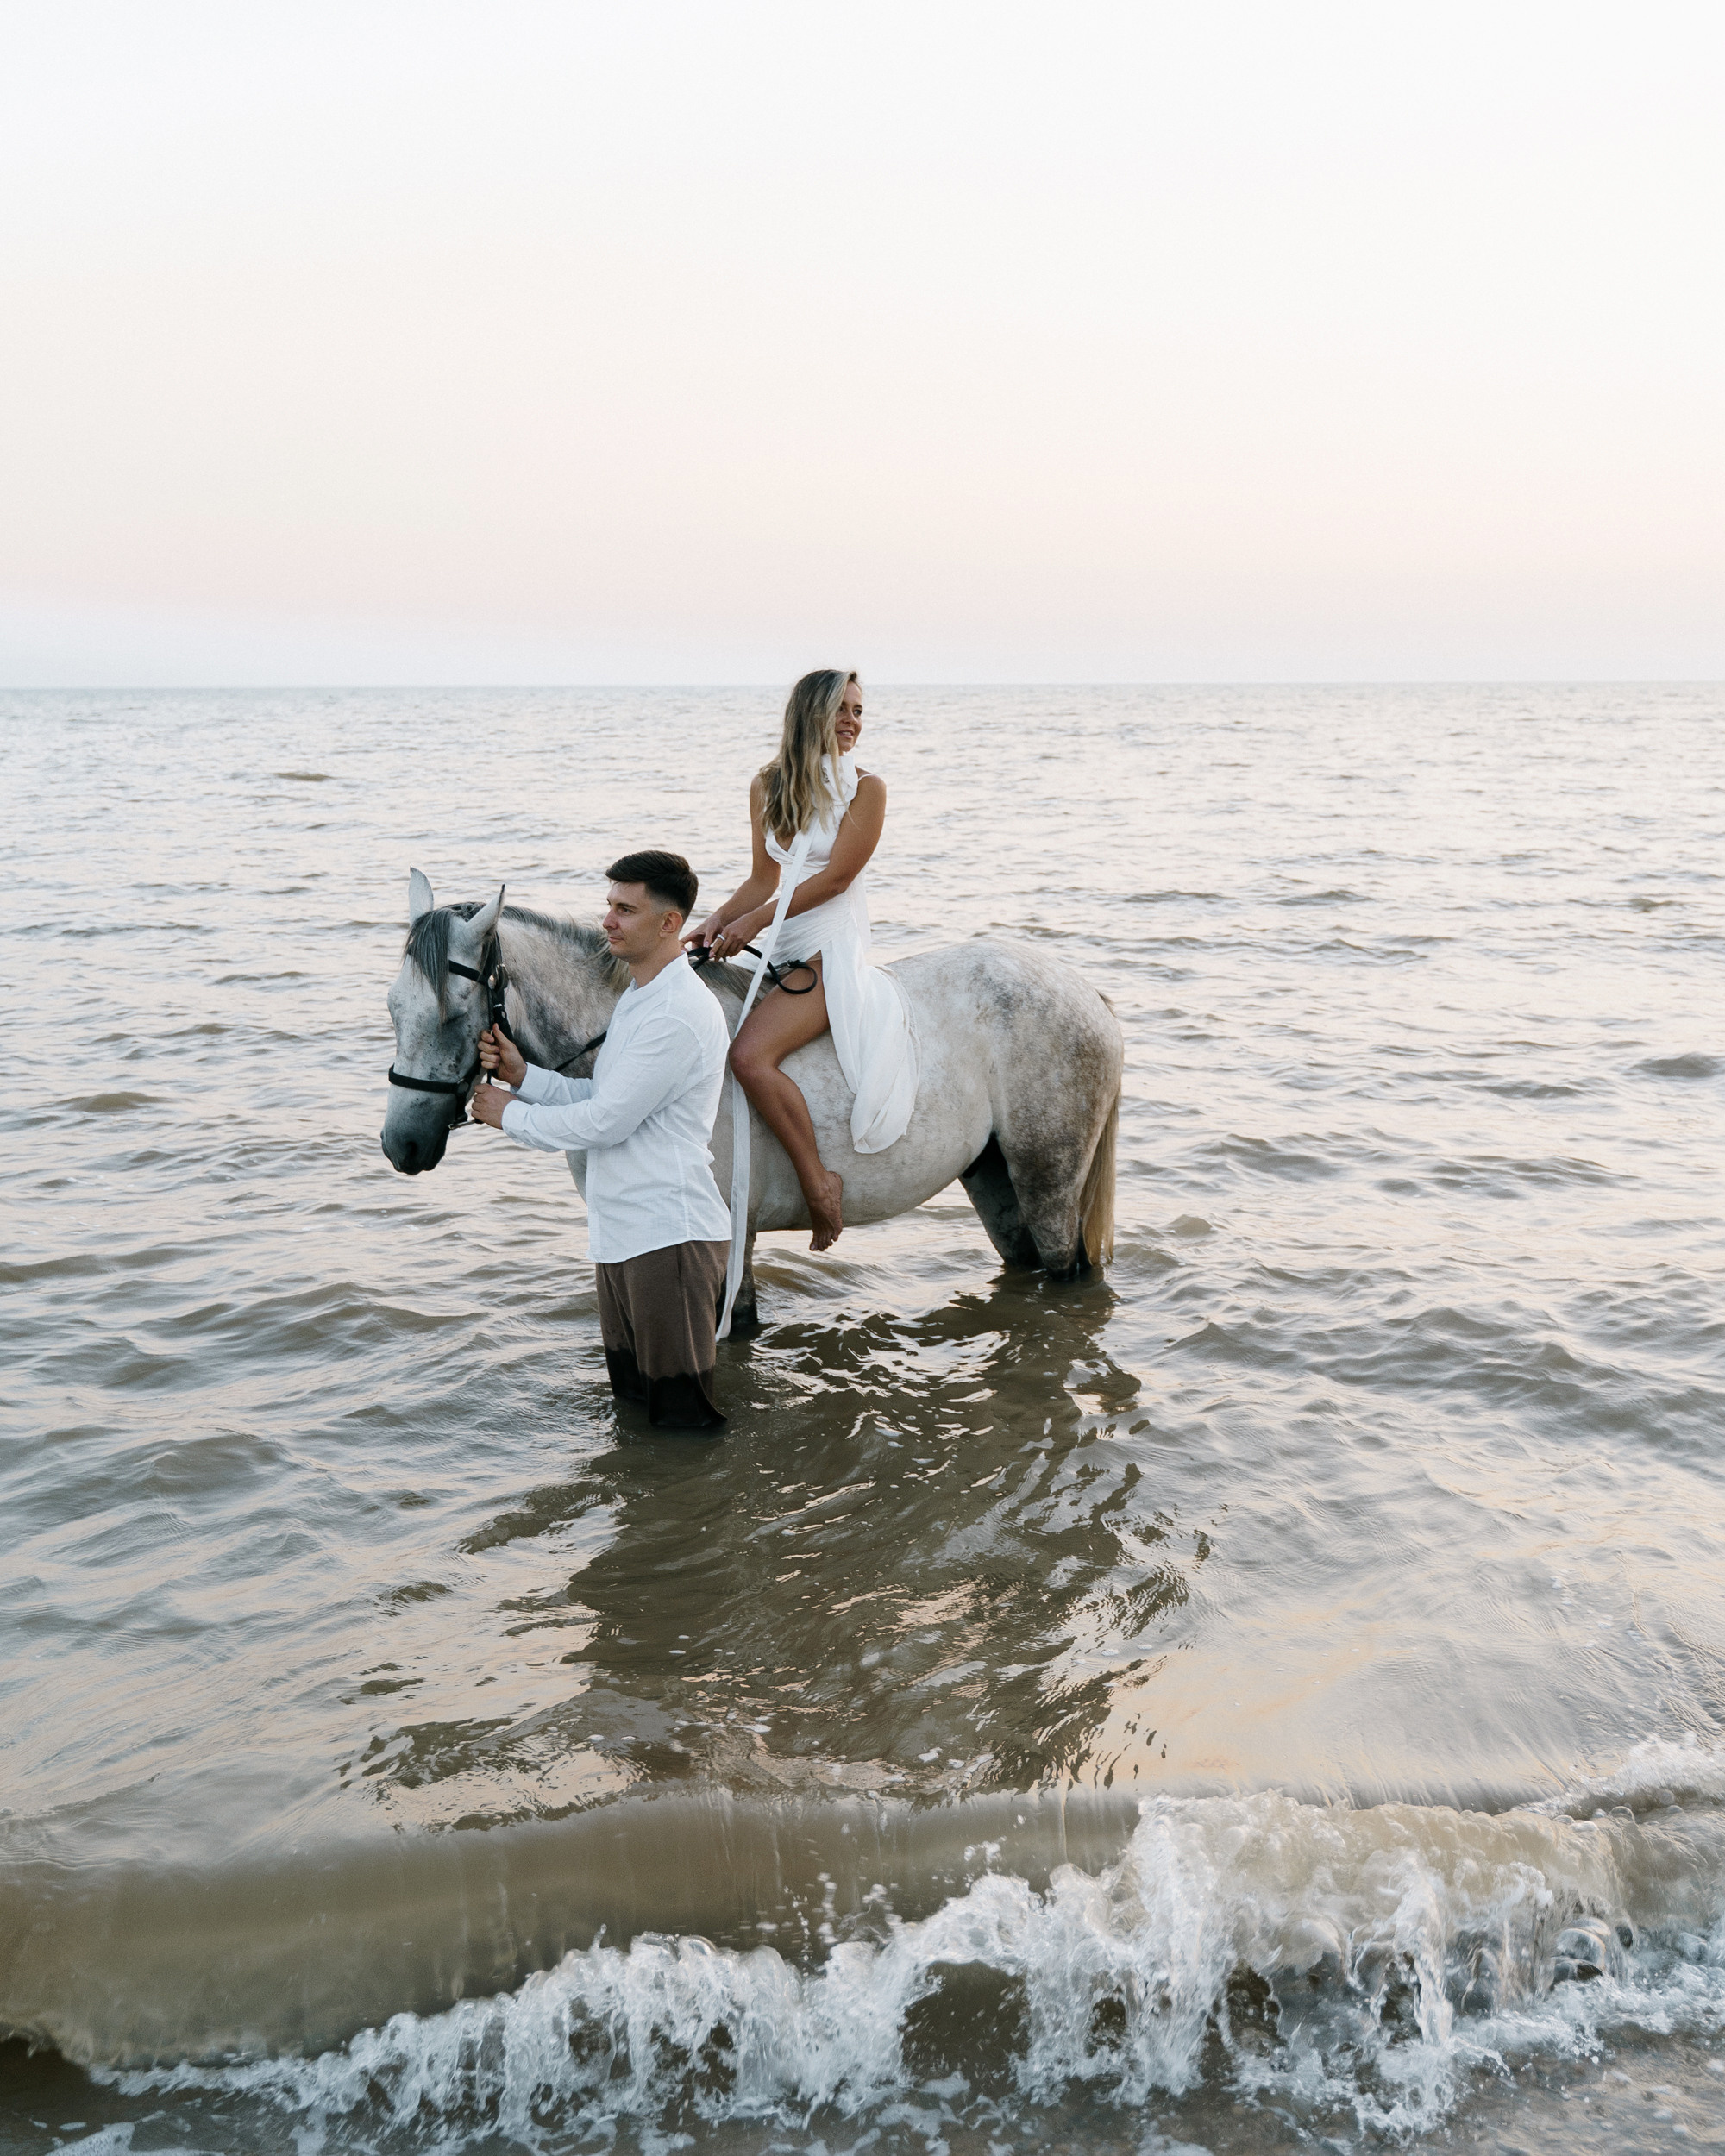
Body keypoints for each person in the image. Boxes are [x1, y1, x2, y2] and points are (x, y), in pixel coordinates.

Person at [468, 851, 731, 1432]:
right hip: (622, 1235)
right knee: (636, 1417)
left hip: (670, 1238)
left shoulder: (678, 1012)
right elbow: (602, 1100)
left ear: (669, 924)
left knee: (684, 1424)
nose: (607, 921)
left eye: (625, 909)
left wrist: (510, 1116)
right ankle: (650, 1521)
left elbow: (605, 1124)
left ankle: (702, 1520)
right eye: (608, 906)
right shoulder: (639, 998)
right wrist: (524, 1079)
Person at [685, 669, 918, 1253]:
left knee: (749, 1057)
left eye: (860, 712)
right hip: (781, 947)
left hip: (827, 947)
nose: (852, 722)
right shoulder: (767, 786)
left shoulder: (868, 790)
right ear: (808, 713)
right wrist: (717, 920)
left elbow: (838, 878)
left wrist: (756, 922)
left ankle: (820, 1184)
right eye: (841, 709)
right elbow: (764, 878)